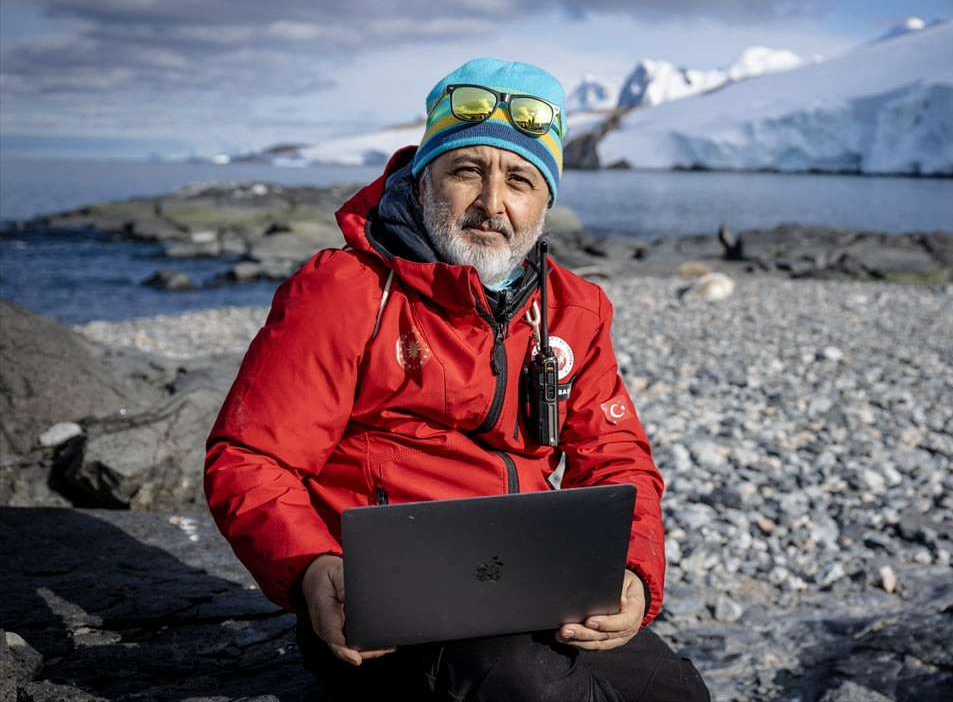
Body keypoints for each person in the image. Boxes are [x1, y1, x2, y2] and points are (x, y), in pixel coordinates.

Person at [204, 57, 710, 701]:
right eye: (467, 171)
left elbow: (616, 458)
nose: (492, 203)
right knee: (532, 690)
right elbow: (248, 456)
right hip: (379, 609)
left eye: (520, 180)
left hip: (528, 578)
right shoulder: (346, 290)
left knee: (674, 692)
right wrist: (310, 567)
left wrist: (635, 571)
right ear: (423, 178)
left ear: (545, 202)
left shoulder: (574, 309)